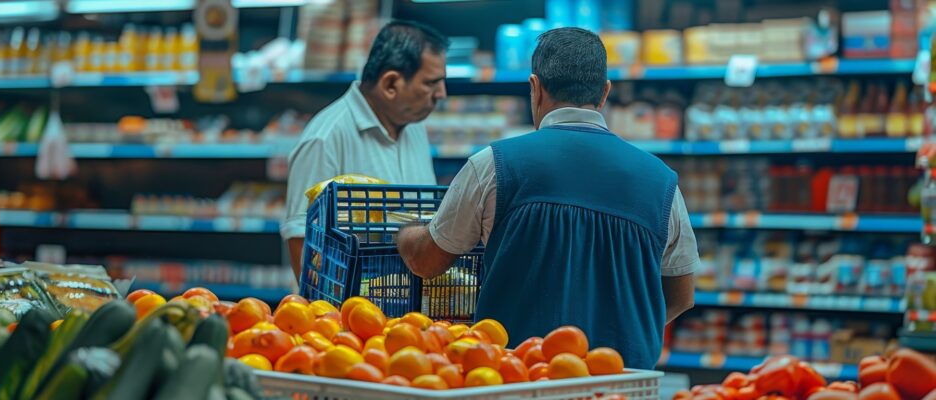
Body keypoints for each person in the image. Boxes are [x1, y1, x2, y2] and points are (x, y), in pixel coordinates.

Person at [397, 27, 697, 369]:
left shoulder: (493, 165)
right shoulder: (662, 182)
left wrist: (404, 232)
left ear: (535, 88)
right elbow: (681, 296)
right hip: (621, 383)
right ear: (605, 93)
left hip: (519, 379)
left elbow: (426, 261)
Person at [283, 20, 448, 280]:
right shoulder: (324, 138)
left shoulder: (414, 127)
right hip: (354, 312)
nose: (442, 94)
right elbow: (302, 241)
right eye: (431, 83)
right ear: (390, 84)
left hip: (412, 311)